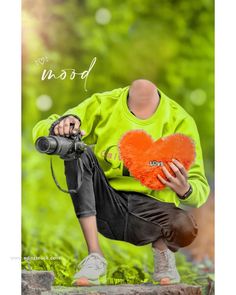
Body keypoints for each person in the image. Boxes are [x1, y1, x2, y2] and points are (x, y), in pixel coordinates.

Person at [32, 79, 210, 286]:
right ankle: (95, 257)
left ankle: (163, 255)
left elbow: (201, 190)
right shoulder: (103, 104)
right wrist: (60, 124)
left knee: (186, 227)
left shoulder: (180, 121)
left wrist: (185, 190)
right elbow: (42, 127)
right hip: (105, 202)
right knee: (78, 151)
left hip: (149, 214)